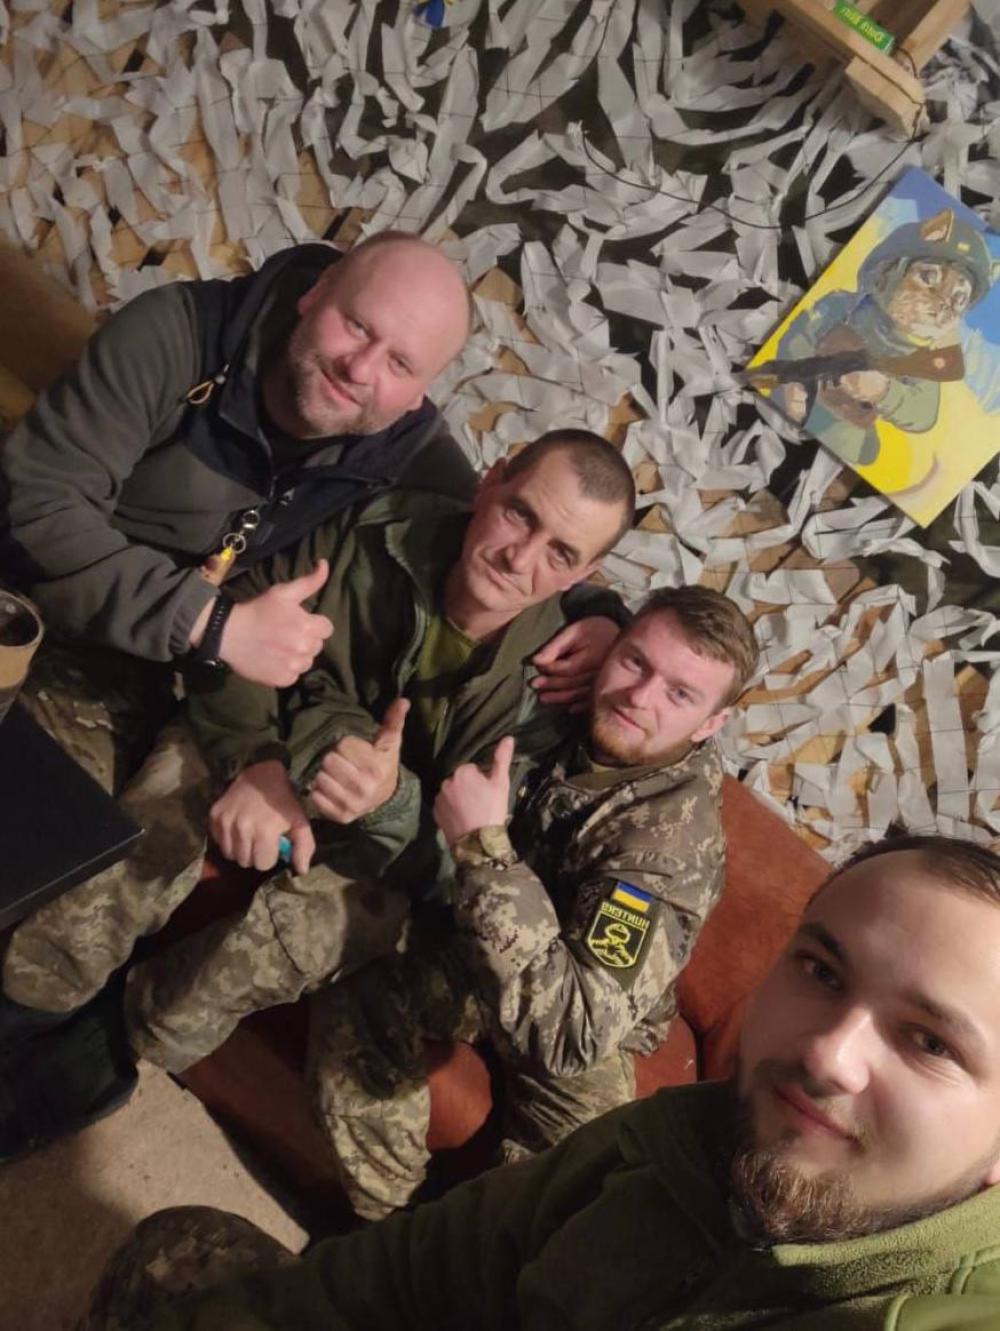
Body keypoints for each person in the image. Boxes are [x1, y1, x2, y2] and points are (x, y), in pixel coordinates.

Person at [0, 430, 635, 1156]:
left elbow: (463, 871)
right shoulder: (376, 529)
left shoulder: (554, 694)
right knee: (153, 823)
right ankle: (25, 1002)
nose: (520, 559)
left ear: (585, 574)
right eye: (520, 514)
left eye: (560, 553)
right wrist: (262, 760)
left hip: (387, 841)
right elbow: (236, 629)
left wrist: (388, 801)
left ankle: (111, 1055)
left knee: (292, 938)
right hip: (268, 734)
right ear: (491, 480)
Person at [79, 834, 1000, 1331]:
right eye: (823, 971)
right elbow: (414, 1268)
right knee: (182, 1255)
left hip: (561, 1029)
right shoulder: (674, 1142)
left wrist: (485, 845)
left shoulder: (663, 837)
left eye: (930, 1041)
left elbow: (572, 1025)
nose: (831, 1053)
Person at [310, 586, 758, 1220]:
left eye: (680, 695)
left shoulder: (670, 849)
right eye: (636, 661)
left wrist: (482, 848)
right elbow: (532, 572)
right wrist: (601, 611)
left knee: (575, 1193)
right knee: (361, 993)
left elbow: (569, 1034)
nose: (640, 697)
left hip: (582, 1010)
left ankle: (449, 1262)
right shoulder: (578, 701)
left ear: (712, 724)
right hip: (481, 951)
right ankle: (383, 1229)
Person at [0, 231, 477, 794]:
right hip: (21, 588)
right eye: (356, 326)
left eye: (400, 363)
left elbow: (521, 529)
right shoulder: (178, 331)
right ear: (316, 292)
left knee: (56, 816)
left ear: (420, 394)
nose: (361, 368)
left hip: (129, 664)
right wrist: (213, 621)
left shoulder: (410, 454)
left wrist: (577, 623)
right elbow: (40, 502)